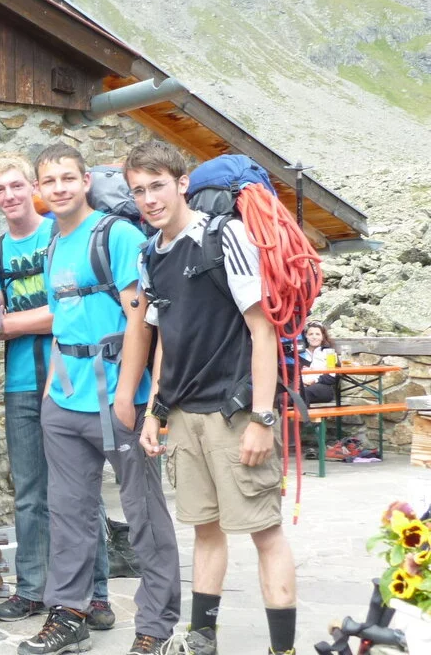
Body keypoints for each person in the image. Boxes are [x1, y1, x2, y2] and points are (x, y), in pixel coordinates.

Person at [128, 140, 296, 655]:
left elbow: (262, 331)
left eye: (158, 185)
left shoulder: (225, 237)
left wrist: (263, 418)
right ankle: (203, 638)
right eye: (139, 190)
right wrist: (155, 412)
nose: (150, 198)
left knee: (264, 532)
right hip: (183, 415)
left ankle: (282, 649)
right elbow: (164, 342)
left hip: (234, 413)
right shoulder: (149, 254)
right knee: (205, 530)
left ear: (182, 184)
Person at [19, 144, 180, 655]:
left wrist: (129, 399)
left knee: (144, 516)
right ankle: (69, 615)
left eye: (68, 177)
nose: (60, 187)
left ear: (85, 179)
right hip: (65, 404)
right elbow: (62, 320)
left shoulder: (117, 234)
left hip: (118, 402)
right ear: (40, 190)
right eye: (50, 181)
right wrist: (50, 395)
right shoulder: (51, 243)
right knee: (68, 513)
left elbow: (141, 317)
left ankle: (154, 627)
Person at [0, 154, 115, 630]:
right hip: (21, 382)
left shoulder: (60, 236)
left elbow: (67, 312)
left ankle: (96, 593)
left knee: (81, 492)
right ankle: (32, 590)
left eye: (17, 186)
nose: (10, 196)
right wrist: (14, 324)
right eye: (0, 189)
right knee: (30, 493)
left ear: (31, 188)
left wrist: (15, 323)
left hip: (71, 380)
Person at [301, 322, 338, 404]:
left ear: (322, 337)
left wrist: (315, 380)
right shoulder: (300, 353)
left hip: (323, 387)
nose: (314, 337)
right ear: (306, 336)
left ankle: (304, 415)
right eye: (311, 334)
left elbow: (332, 377)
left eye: (318, 334)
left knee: (304, 393)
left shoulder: (329, 353)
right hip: (301, 385)